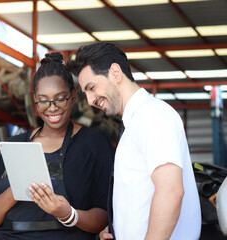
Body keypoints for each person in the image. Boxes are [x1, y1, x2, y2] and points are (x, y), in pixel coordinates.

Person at [68, 42, 201, 240]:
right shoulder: (134, 123)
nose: (89, 100)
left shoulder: (152, 115)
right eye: (86, 93)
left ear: (115, 72)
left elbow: (171, 190)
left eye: (92, 88)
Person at [0, 52, 114, 239]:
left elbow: (105, 215)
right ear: (34, 99)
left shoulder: (92, 143)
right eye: (43, 100)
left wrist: (68, 214)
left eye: (60, 98)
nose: (52, 108)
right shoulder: (14, 146)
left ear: (73, 96)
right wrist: (19, 188)